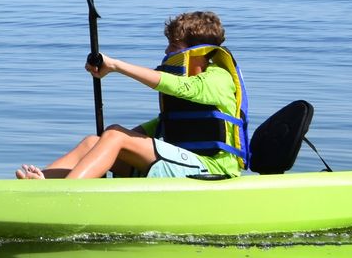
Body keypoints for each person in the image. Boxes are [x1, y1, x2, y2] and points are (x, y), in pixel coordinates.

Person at [15, 10, 248, 180]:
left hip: (213, 169)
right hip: (181, 166)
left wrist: (115, 66)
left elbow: (179, 87)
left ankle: (64, 195)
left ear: (198, 51)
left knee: (115, 134)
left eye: (173, 46)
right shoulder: (192, 79)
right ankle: (36, 186)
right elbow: (165, 125)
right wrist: (108, 143)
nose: (167, 51)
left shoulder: (219, 78)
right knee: (94, 141)